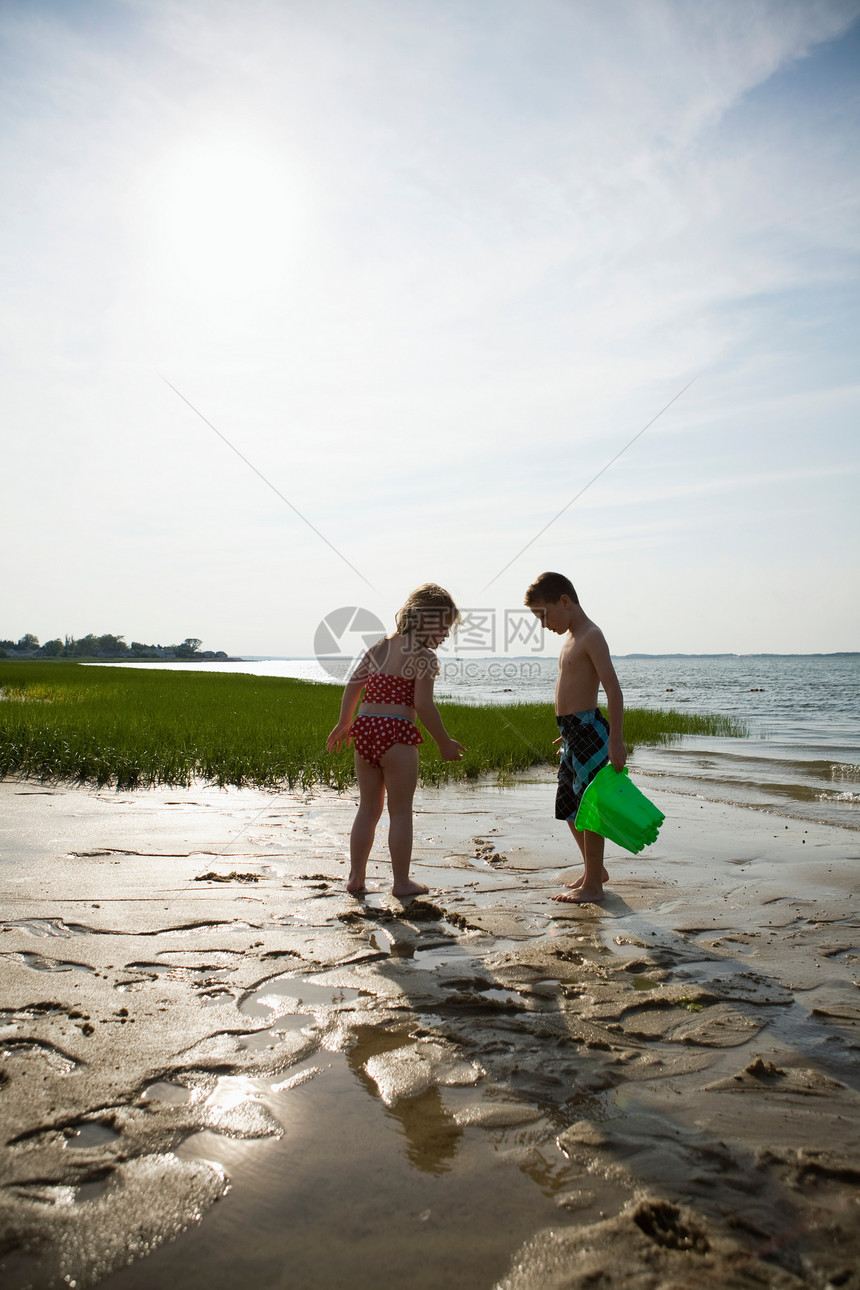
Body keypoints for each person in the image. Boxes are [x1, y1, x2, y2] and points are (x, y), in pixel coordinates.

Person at [326, 584, 465, 898]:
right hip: (398, 733)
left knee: (368, 809)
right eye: (444, 628)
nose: (446, 635)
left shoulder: (380, 647)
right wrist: (443, 742)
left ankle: (356, 878)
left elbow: (353, 685)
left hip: (364, 731)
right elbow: (424, 706)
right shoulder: (424, 657)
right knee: (400, 812)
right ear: (425, 621)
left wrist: (345, 722)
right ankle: (401, 883)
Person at [525, 571, 626, 904]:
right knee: (568, 806)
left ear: (564, 601)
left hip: (589, 732)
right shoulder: (569, 637)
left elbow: (613, 689)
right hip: (572, 734)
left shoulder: (591, 636)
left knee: (589, 807)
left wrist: (615, 740)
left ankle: (594, 886)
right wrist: (566, 734)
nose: (543, 624)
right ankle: (594, 871)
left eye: (544, 614)